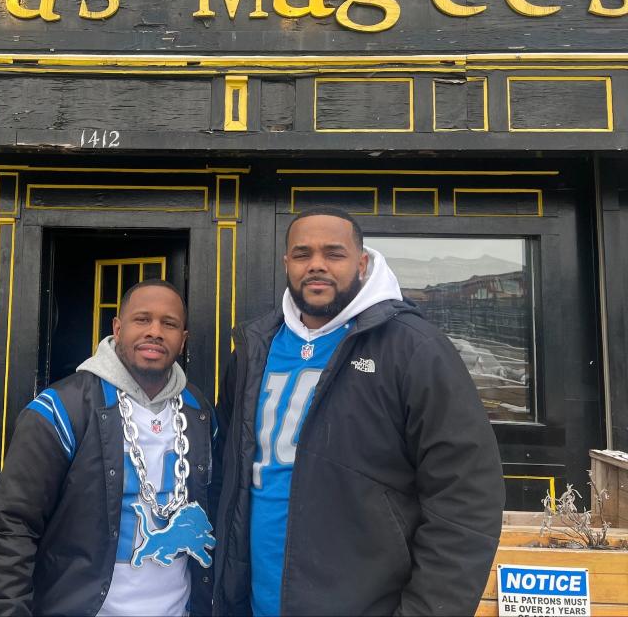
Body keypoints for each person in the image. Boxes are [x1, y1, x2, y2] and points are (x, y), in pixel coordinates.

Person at [213, 207, 504, 616]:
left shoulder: (414, 348)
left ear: (362, 262)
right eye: (302, 254)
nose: (316, 265)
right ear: (286, 263)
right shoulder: (253, 349)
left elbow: (466, 495)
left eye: (334, 253)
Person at [0, 279, 217, 617]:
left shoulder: (199, 412)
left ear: (183, 338)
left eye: (170, 323)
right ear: (117, 328)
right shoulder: (61, 410)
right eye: (142, 319)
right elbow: (12, 526)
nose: (155, 331)